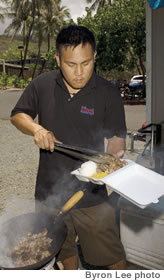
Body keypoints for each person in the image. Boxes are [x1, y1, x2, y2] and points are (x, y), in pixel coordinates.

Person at [10, 25, 127, 270]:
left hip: (91, 194)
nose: (79, 73)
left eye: (86, 63)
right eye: (71, 64)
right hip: (49, 193)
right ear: (58, 59)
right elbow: (18, 115)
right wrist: (37, 129)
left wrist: (112, 162)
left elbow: (117, 139)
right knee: (62, 254)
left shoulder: (108, 93)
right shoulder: (42, 84)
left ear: (95, 56)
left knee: (112, 257)